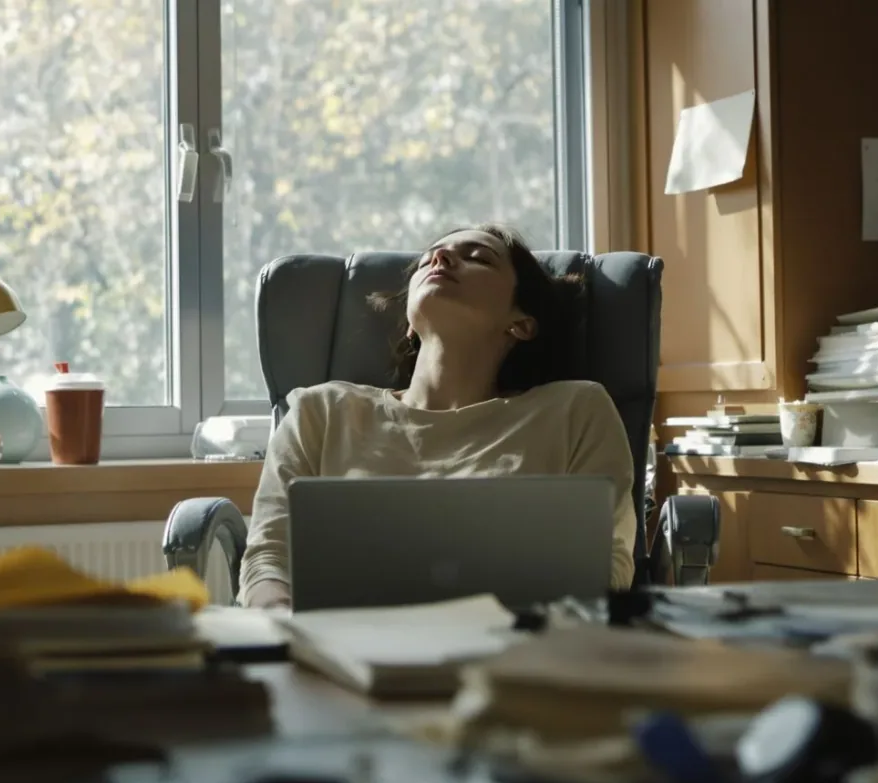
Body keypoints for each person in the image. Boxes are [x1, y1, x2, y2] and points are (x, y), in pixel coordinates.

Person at [238, 224, 637, 609]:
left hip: (517, 645)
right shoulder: (322, 411)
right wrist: (281, 623)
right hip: (336, 647)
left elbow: (606, 562)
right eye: (429, 257)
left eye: (478, 257)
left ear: (521, 323)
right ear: (409, 324)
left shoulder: (575, 410)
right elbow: (269, 558)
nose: (440, 257)